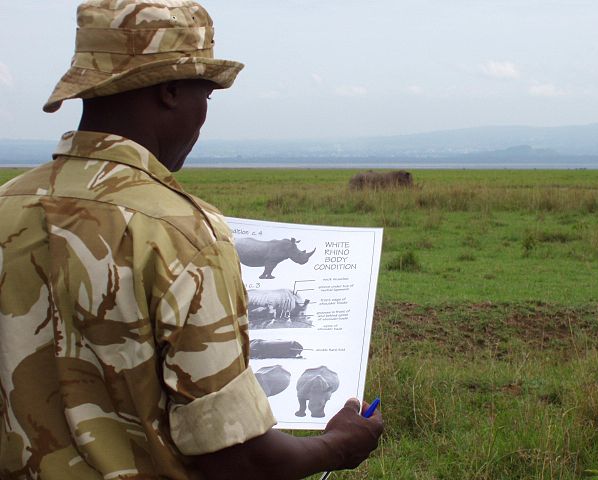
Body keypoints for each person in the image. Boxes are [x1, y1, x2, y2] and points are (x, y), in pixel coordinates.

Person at [0, 1, 383, 479]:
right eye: (206, 98)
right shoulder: (184, 233)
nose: (203, 117)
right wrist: (338, 446)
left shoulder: (6, 205)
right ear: (171, 91)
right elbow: (233, 456)